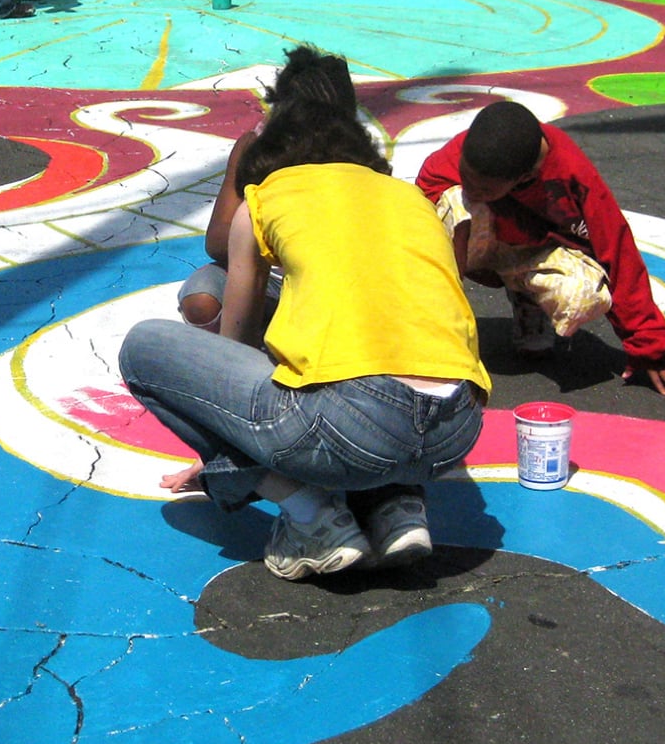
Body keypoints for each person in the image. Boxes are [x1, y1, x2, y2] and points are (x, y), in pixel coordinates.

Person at [120, 89, 490, 581]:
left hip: (354, 430)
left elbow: (231, 349)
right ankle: (398, 506)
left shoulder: (266, 197)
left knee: (143, 347)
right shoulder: (409, 198)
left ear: (271, 159)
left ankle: (312, 519)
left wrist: (229, 454)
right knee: (378, 366)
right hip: (456, 430)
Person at [415, 99, 665, 392]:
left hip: (536, 250)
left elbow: (616, 248)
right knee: (450, 206)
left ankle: (529, 296)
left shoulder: (571, 173)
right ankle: (443, 324)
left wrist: (647, 343)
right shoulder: (473, 151)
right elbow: (424, 192)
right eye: (466, 177)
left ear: (525, 177)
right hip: (483, 242)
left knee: (584, 294)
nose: (473, 189)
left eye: (485, 188)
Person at [177, 44, 356, 334]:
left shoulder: (355, 155)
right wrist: (269, 237)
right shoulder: (255, 147)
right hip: (263, 275)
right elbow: (217, 240)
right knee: (202, 300)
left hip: (323, 280)